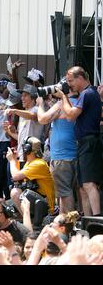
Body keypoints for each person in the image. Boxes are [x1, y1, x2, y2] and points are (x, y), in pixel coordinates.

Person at [56, 66, 103, 216]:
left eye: (71, 81)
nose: (69, 84)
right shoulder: (88, 93)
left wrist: (63, 96)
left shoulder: (87, 93)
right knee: (82, 187)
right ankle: (88, 221)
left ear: (80, 78)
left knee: (89, 184)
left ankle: (97, 219)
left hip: (89, 142)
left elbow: (70, 116)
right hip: (84, 143)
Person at [37, 91, 78, 214]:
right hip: (74, 152)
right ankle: (63, 219)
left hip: (61, 155)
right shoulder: (79, 103)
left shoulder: (61, 104)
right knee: (65, 191)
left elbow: (42, 119)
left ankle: (71, 224)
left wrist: (40, 104)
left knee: (65, 192)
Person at [6, 136, 55, 215]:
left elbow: (15, 176)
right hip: (38, 201)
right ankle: (28, 218)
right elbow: (18, 178)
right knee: (6, 205)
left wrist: (11, 161)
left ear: (27, 149)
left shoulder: (38, 164)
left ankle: (27, 220)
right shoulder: (30, 163)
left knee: (15, 192)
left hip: (46, 205)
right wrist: (15, 159)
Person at [5, 84, 44, 168]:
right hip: (21, 156)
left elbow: (32, 115)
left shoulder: (37, 109)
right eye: (22, 96)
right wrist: (10, 131)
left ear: (33, 97)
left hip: (32, 157)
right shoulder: (22, 114)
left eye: (25, 96)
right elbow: (21, 137)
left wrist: (15, 111)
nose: (22, 98)